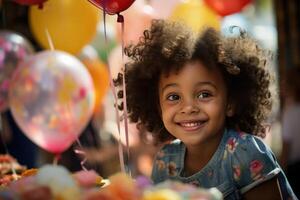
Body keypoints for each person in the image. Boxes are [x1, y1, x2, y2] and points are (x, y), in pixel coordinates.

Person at [113, 19, 297, 199]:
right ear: (158, 107)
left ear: (230, 103)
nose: (189, 107)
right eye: (174, 97)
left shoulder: (245, 153)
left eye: (204, 94)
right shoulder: (164, 161)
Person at [280, 67, 300, 197]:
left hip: (295, 168)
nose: (282, 84)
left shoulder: (290, 111)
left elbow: (286, 147)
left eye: (286, 82)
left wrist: (281, 172)